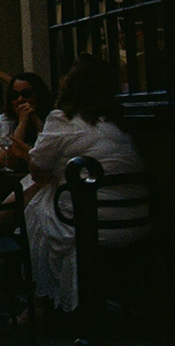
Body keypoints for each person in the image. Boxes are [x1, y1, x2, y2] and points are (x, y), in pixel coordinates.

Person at [23, 56, 151, 315]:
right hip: (138, 222)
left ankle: (39, 303)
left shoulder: (62, 120)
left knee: (35, 204)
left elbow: (36, 170)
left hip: (92, 224)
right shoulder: (117, 123)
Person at [0, 70, 52, 174]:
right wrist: (22, 123)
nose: (20, 99)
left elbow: (49, 157)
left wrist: (36, 121)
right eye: (14, 95)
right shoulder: (1, 122)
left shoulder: (52, 119)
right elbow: (6, 161)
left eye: (26, 94)